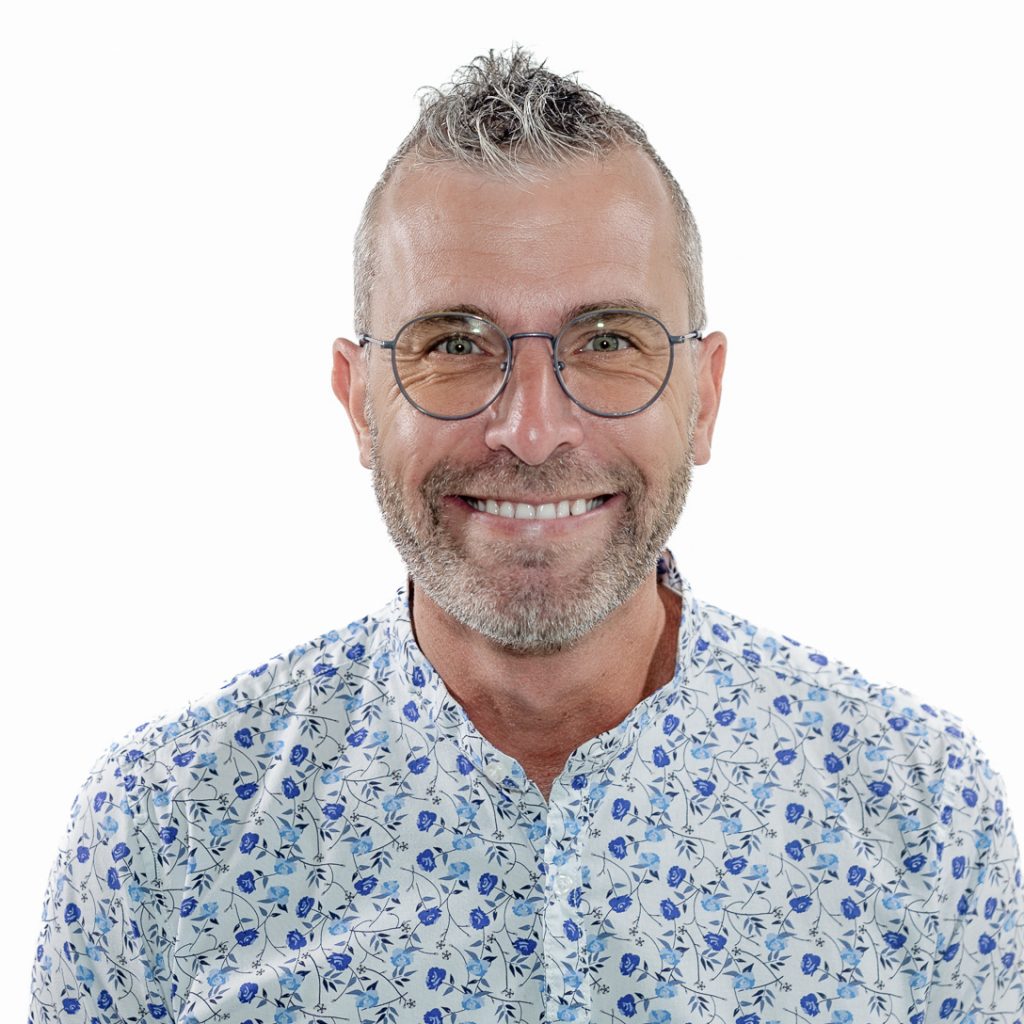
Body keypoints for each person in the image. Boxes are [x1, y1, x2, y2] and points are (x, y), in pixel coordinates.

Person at [30, 48, 1022, 1023]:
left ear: (705, 396)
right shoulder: (162, 829)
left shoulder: (920, 813)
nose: (533, 429)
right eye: (454, 345)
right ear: (359, 402)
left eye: (609, 341)